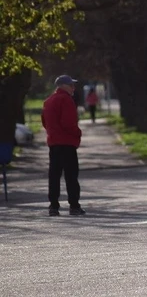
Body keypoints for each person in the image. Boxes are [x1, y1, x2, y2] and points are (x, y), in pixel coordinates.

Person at [41, 75, 85, 216]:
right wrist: (78, 133)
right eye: (71, 85)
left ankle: (53, 206)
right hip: (67, 143)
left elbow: (44, 121)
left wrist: (52, 132)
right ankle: (74, 206)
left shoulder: (48, 101)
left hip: (54, 143)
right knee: (71, 175)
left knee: (54, 175)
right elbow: (68, 123)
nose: (73, 88)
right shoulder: (66, 100)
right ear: (63, 86)